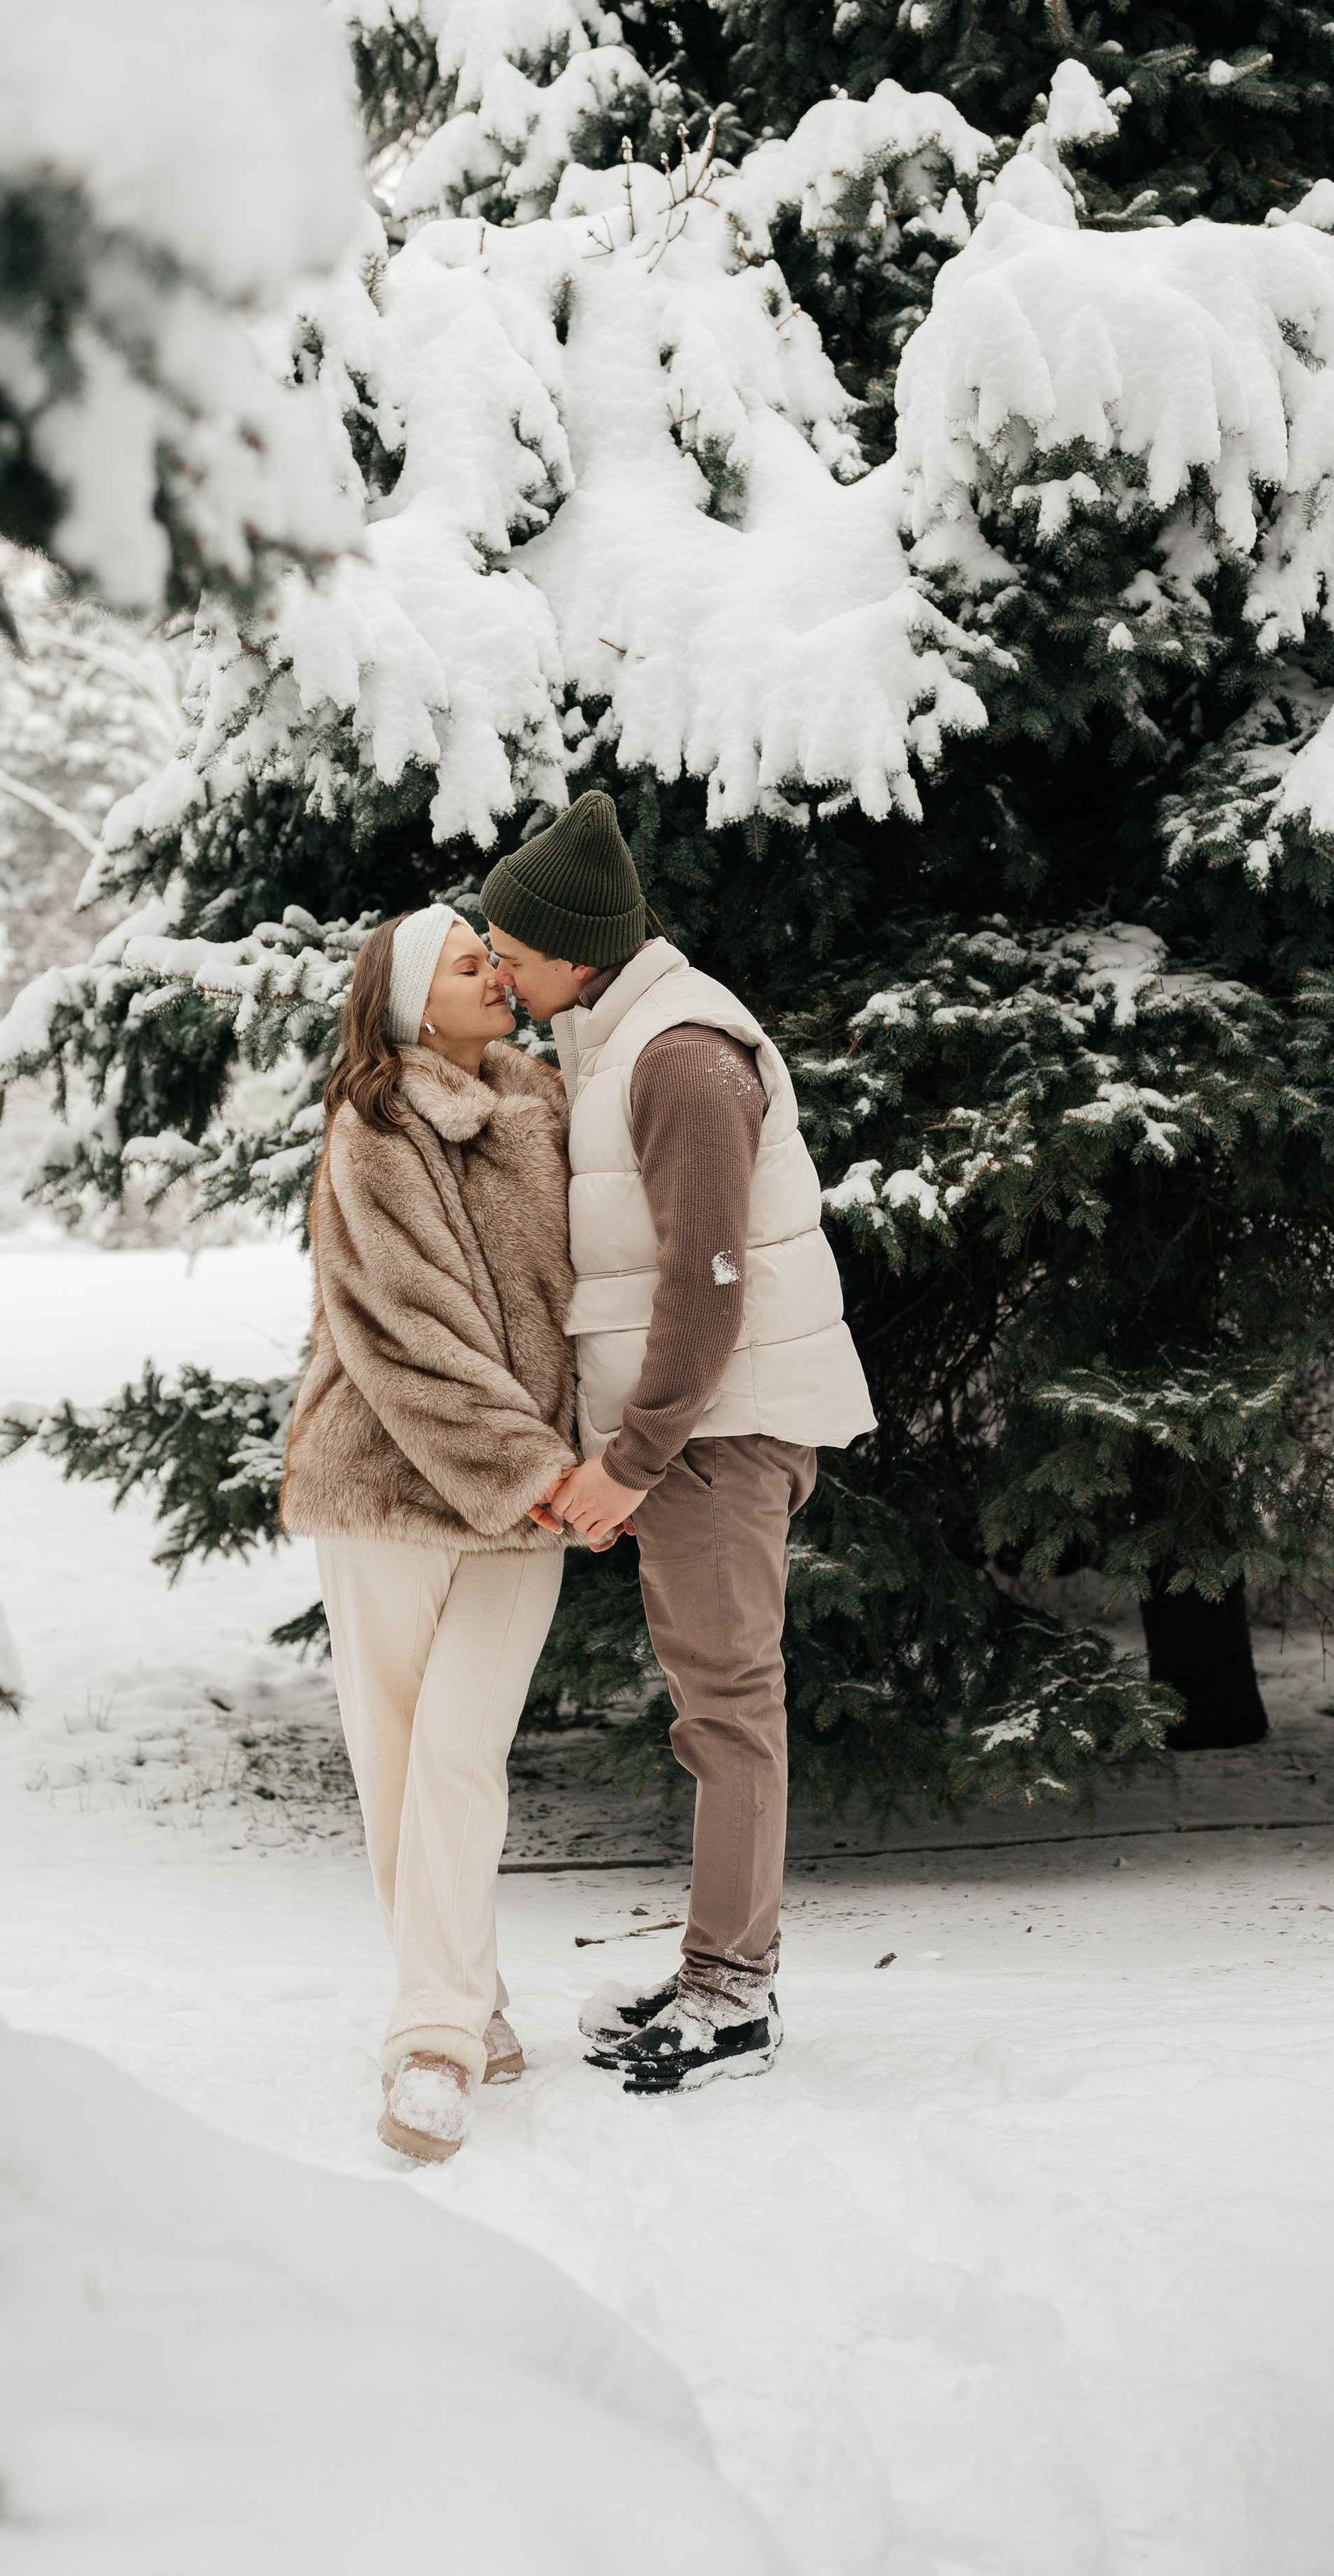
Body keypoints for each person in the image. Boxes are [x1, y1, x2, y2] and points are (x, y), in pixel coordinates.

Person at [482, 790, 876, 2095]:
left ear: (578, 944)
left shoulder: (682, 1056)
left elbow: (707, 1285)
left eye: (512, 949)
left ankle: (735, 1996)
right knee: (715, 1706)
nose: (498, 970)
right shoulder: (621, 1034)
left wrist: (631, 1458)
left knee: (729, 1708)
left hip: (718, 1430)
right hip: (695, 1434)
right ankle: (718, 1962)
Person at [280, 904, 580, 2163]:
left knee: (462, 1754)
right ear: (408, 1001)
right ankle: (452, 2031)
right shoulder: (376, 1124)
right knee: (399, 1765)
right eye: (469, 966)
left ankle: (438, 2025)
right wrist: (530, 1468)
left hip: (531, 1498)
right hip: (388, 1484)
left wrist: (568, 1471)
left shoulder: (551, 1112)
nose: (497, 978)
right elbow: (406, 1332)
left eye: (494, 961)